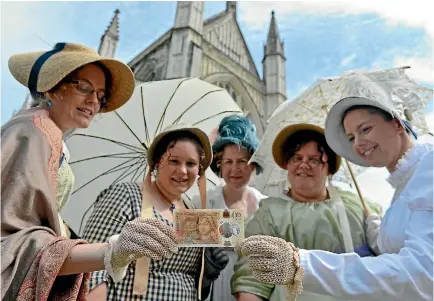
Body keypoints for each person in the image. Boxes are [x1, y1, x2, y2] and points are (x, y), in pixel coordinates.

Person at [0, 42, 178, 301]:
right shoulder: (35, 132)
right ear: (53, 86)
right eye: (84, 87)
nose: (94, 101)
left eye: (101, 94)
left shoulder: (47, 133)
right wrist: (112, 250)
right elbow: (16, 243)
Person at [236, 75, 433, 301]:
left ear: (397, 122)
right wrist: (380, 235)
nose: (358, 143)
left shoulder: (427, 170)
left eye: (365, 129)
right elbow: (250, 279)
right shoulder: (401, 191)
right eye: (350, 137)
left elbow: (423, 272)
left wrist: (301, 264)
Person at [232, 123, 383, 301]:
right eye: (296, 158)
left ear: (329, 168)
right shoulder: (268, 214)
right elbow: (252, 279)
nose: (304, 165)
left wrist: (385, 239)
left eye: (314, 160)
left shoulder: (361, 207)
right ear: (287, 165)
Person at [82, 124, 229, 301]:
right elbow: (91, 268)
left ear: (199, 169)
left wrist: (206, 273)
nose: (182, 170)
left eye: (190, 163)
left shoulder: (194, 211)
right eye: (174, 161)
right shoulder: (126, 195)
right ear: (158, 162)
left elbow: (192, 279)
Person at [194, 114, 268, 301]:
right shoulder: (202, 203)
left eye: (242, 161)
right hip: (215, 289)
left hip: (255, 290)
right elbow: (186, 235)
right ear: (219, 165)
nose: (235, 169)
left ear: (253, 165)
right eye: (228, 162)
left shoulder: (265, 205)